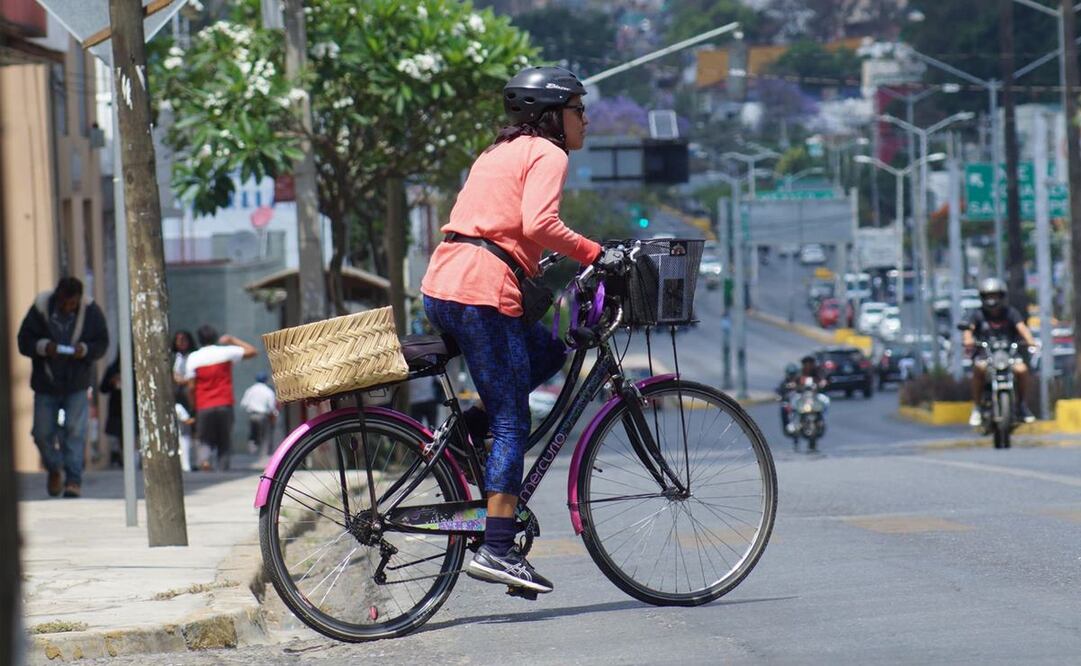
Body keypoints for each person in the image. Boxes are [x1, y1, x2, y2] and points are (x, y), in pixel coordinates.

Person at [419, 66, 602, 595]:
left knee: (547, 352)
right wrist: (598, 253)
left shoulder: (498, 151)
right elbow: (539, 224)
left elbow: (503, 225)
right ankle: (496, 549)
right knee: (512, 420)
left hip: (445, 283)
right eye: (577, 110)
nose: (585, 120)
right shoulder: (549, 153)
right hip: (480, 291)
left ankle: (465, 435)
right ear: (552, 117)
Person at [16, 277, 109, 497]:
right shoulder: (40, 308)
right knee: (41, 432)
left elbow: (102, 342)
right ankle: (54, 467)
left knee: (75, 432)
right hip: (46, 382)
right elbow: (23, 340)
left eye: (73, 303)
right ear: (58, 297)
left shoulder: (91, 311)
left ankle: (73, 480)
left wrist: (84, 350)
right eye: (65, 302)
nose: (69, 307)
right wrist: (43, 347)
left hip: (76, 382)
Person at [961, 278, 1038, 426]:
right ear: (983, 297)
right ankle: (977, 407)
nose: (992, 300)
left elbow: (1022, 328)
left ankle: (1022, 405)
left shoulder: (1011, 313)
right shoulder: (977, 315)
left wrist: (1030, 341)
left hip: (1008, 354)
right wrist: (968, 339)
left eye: (995, 296)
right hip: (986, 355)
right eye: (989, 296)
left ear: (1002, 296)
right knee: (979, 368)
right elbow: (968, 331)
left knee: (1022, 370)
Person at [183, 325, 257, 470]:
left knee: (203, 439)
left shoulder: (193, 358)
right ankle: (223, 469)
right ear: (215, 337)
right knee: (224, 440)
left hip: (204, 405)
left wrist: (193, 406)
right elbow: (252, 351)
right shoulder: (225, 352)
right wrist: (232, 340)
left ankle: (204, 461)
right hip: (224, 403)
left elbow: (191, 387)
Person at [240, 372, 278, 458]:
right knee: (265, 435)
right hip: (263, 416)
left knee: (253, 434)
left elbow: (244, 404)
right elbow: (272, 406)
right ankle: (264, 455)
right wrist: (274, 414)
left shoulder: (250, 390)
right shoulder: (268, 391)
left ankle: (252, 455)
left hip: (252, 415)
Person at [172, 330, 198, 411]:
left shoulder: (194, 356)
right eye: (178, 340)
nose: (181, 342)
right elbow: (174, 373)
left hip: (190, 386)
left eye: (183, 340)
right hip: (178, 387)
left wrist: (185, 381)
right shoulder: (174, 357)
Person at [776, 363, 800, 435]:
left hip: (799, 402)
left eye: (793, 374)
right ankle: (786, 425)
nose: (792, 376)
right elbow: (779, 392)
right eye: (791, 374)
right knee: (783, 409)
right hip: (789, 403)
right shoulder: (784, 383)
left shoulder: (800, 381)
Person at [174, 388, 194, 472]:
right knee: (185, 452)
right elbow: (186, 420)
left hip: (176, 433)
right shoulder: (178, 407)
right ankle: (186, 467)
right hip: (182, 433)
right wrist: (194, 420)